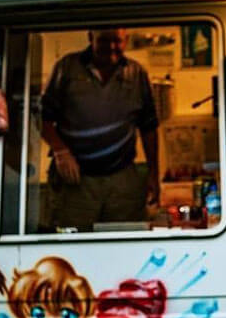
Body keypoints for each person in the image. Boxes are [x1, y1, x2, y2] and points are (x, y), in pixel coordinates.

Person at [40, 28, 160, 231]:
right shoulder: (67, 68)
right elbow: (42, 118)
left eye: (118, 41)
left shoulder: (136, 73)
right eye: (104, 40)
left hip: (122, 180)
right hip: (77, 183)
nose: (112, 47)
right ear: (90, 38)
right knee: (74, 249)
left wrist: (153, 174)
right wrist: (60, 150)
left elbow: (149, 127)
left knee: (126, 246)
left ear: (126, 40)